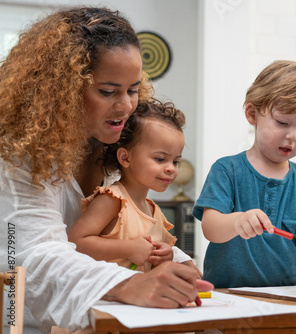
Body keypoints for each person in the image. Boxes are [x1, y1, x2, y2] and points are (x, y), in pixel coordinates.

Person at [0, 7, 212, 332]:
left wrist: (180, 267)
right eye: (107, 91)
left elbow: (131, 230)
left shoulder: (113, 148)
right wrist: (127, 285)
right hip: (20, 322)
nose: (126, 105)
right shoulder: (19, 154)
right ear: (63, 90)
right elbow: (31, 255)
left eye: (132, 89)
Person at [193, 60, 296, 288]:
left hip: (292, 295)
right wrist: (237, 221)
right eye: (282, 122)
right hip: (229, 295)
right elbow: (210, 227)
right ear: (252, 114)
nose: (293, 136)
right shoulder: (226, 170)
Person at [68, 100, 202, 275]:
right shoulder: (112, 199)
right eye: (160, 159)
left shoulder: (154, 211)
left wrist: (165, 256)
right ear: (125, 158)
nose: (171, 168)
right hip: (106, 299)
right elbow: (75, 242)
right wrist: (128, 248)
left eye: (175, 161)